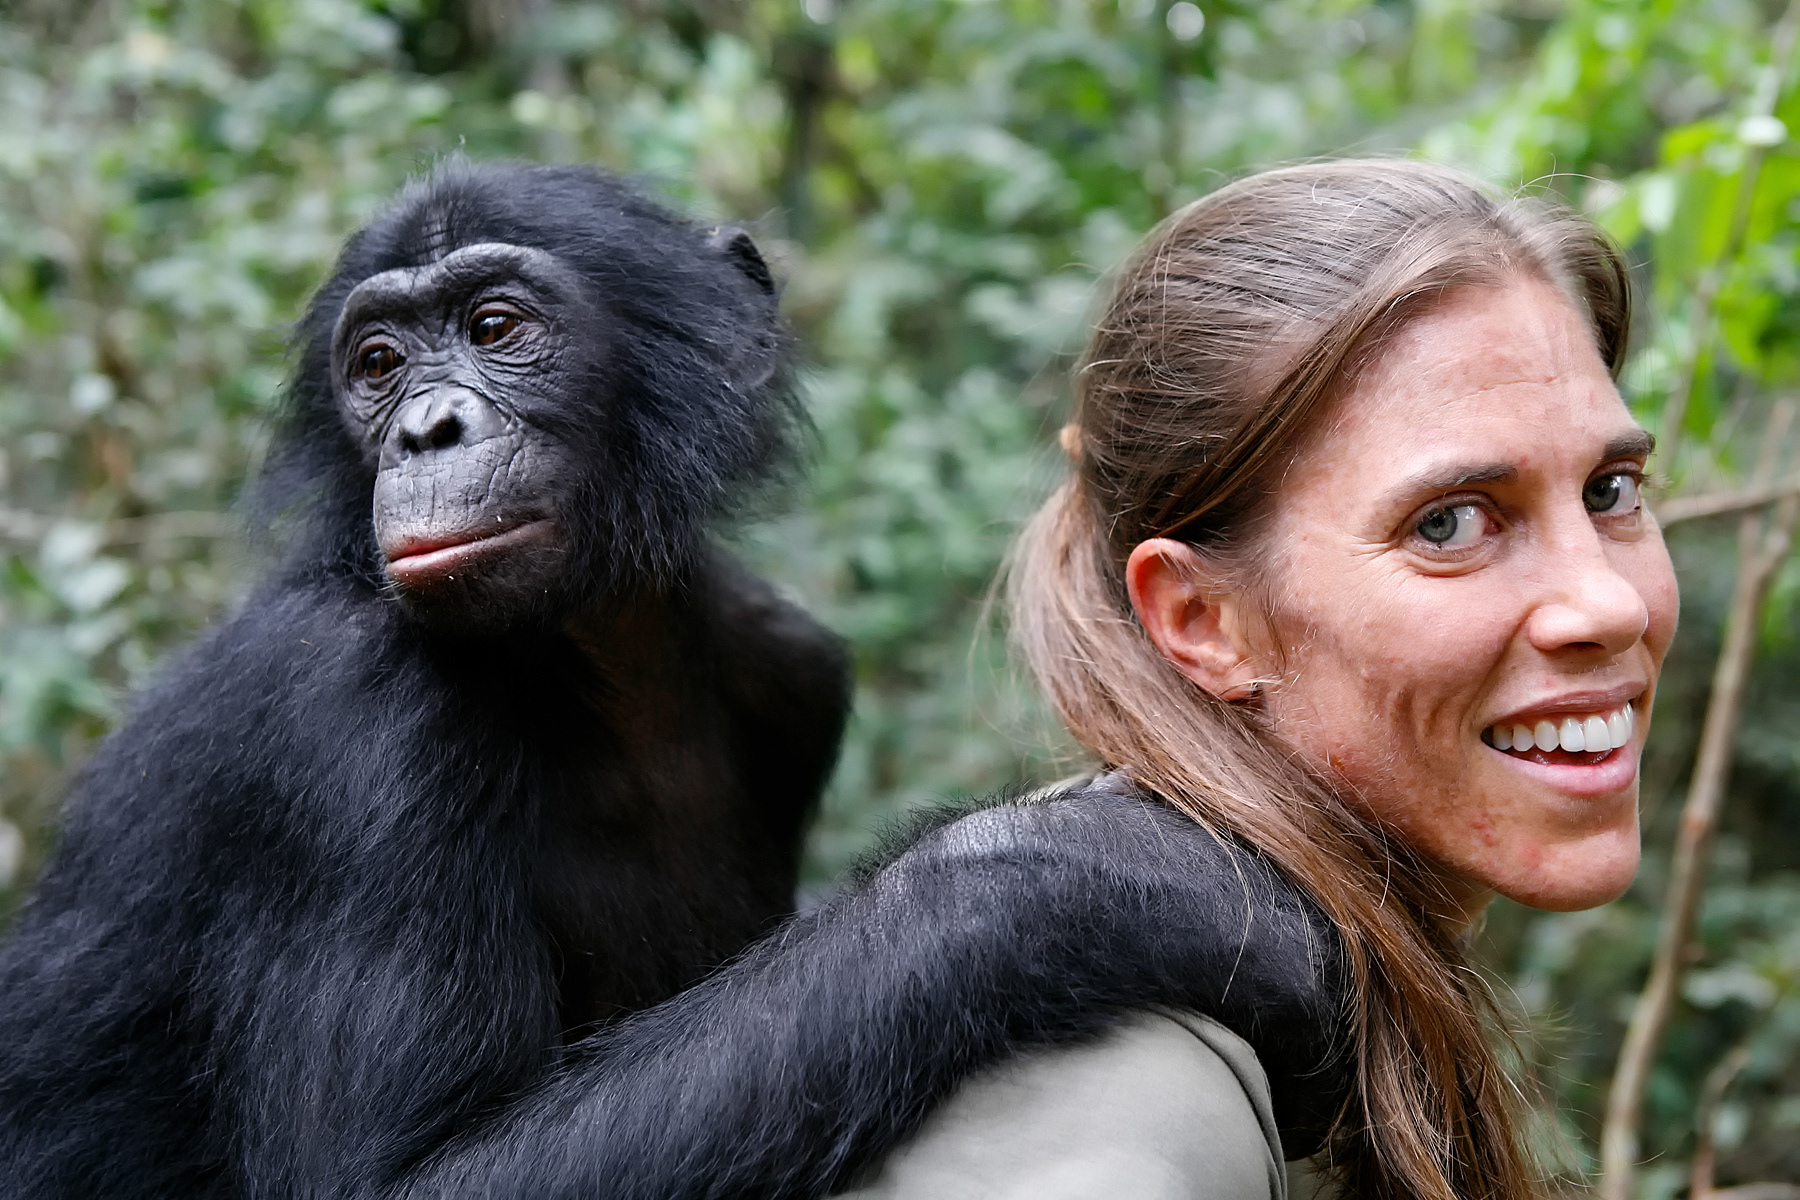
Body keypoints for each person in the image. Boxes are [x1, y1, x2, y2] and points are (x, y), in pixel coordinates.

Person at [830, 158, 1677, 1199]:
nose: (1609, 605)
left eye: (1611, 489)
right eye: (1450, 523)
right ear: (1203, 622)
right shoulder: (1129, 1087)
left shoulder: (1317, 965)